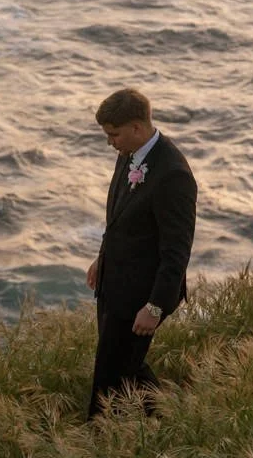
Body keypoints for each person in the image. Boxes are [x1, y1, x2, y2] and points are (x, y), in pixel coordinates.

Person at [84, 88, 197, 419]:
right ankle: (164, 417)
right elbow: (120, 218)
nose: (110, 142)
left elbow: (177, 251)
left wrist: (155, 306)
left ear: (136, 127)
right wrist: (101, 257)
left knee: (114, 368)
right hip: (114, 281)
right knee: (122, 365)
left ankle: (98, 432)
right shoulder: (129, 154)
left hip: (142, 293)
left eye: (114, 134)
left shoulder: (173, 174)